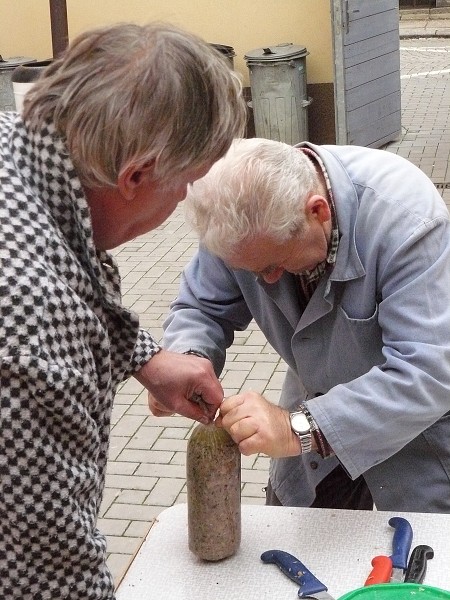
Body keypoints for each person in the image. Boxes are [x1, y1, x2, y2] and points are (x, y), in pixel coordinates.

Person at [0, 22, 246, 599]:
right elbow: (51, 576)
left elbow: (71, 268)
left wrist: (146, 359)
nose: (183, 201)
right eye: (186, 184)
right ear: (136, 175)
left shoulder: (15, 141)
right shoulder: (29, 314)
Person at [159, 137, 450, 513]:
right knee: (293, 532)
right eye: (250, 270)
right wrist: (187, 358)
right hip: (312, 410)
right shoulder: (235, 220)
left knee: (417, 546)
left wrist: (296, 429)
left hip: (413, 430)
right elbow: (201, 306)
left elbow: (428, 371)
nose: (265, 281)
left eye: (272, 266)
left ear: (317, 212)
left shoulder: (407, 219)